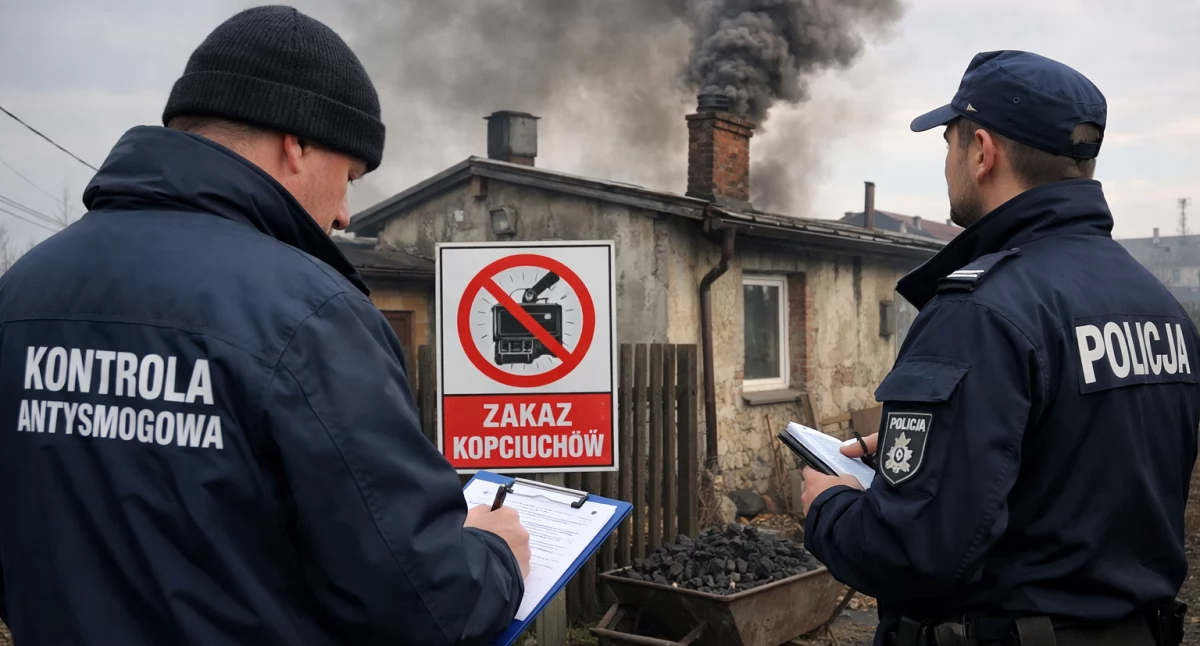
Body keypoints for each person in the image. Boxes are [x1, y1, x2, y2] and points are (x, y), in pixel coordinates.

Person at [0, 6, 530, 645]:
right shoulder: (309, 314)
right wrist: (495, 558)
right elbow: (425, 604)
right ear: (297, 143)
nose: (342, 213)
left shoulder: (22, 291)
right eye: (349, 177)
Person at [800, 50, 1199, 646]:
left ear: (982, 151)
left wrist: (829, 505)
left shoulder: (981, 310)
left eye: (948, 145)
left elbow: (912, 553)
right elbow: (1082, 464)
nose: (948, 164)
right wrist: (943, 448)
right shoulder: (1160, 308)